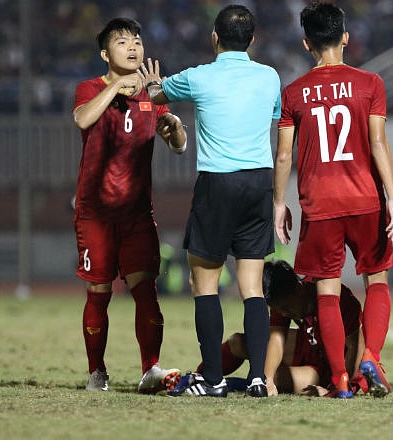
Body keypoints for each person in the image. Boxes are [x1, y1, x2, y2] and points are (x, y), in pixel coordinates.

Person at [140, 4, 281, 398]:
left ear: (214, 38)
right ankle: (257, 377)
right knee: (252, 286)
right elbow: (272, 114)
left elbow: (156, 94)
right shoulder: (270, 76)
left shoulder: (200, 76)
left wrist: (154, 84)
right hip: (258, 182)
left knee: (205, 285)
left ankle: (214, 379)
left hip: (217, 182)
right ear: (252, 40)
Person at [273, 2, 393, 399]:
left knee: (326, 291)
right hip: (365, 199)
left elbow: (283, 155)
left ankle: (341, 380)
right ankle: (371, 359)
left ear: (307, 43)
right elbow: (377, 143)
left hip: (319, 204)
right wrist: (392, 196)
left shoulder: (293, 92)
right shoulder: (370, 83)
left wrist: (279, 202)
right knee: (376, 280)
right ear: (345, 37)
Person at [72, 17, 187, 393]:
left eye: (137, 40)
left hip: (138, 213)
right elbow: (82, 118)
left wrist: (175, 126)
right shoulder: (89, 88)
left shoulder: (151, 94)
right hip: (96, 215)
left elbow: (179, 144)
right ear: (106, 54)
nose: (133, 46)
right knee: (99, 293)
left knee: (146, 291)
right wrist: (118, 86)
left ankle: (150, 369)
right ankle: (96, 372)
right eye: (122, 42)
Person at [168, 260, 367, 397]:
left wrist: (339, 387)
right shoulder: (285, 296)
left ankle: (231, 385)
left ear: (299, 289)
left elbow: (356, 346)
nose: (286, 313)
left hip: (329, 367)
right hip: (306, 345)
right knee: (238, 342)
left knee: (280, 378)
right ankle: (197, 377)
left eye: (287, 308)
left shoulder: (336, 299)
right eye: (281, 310)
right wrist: (267, 379)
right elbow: (276, 339)